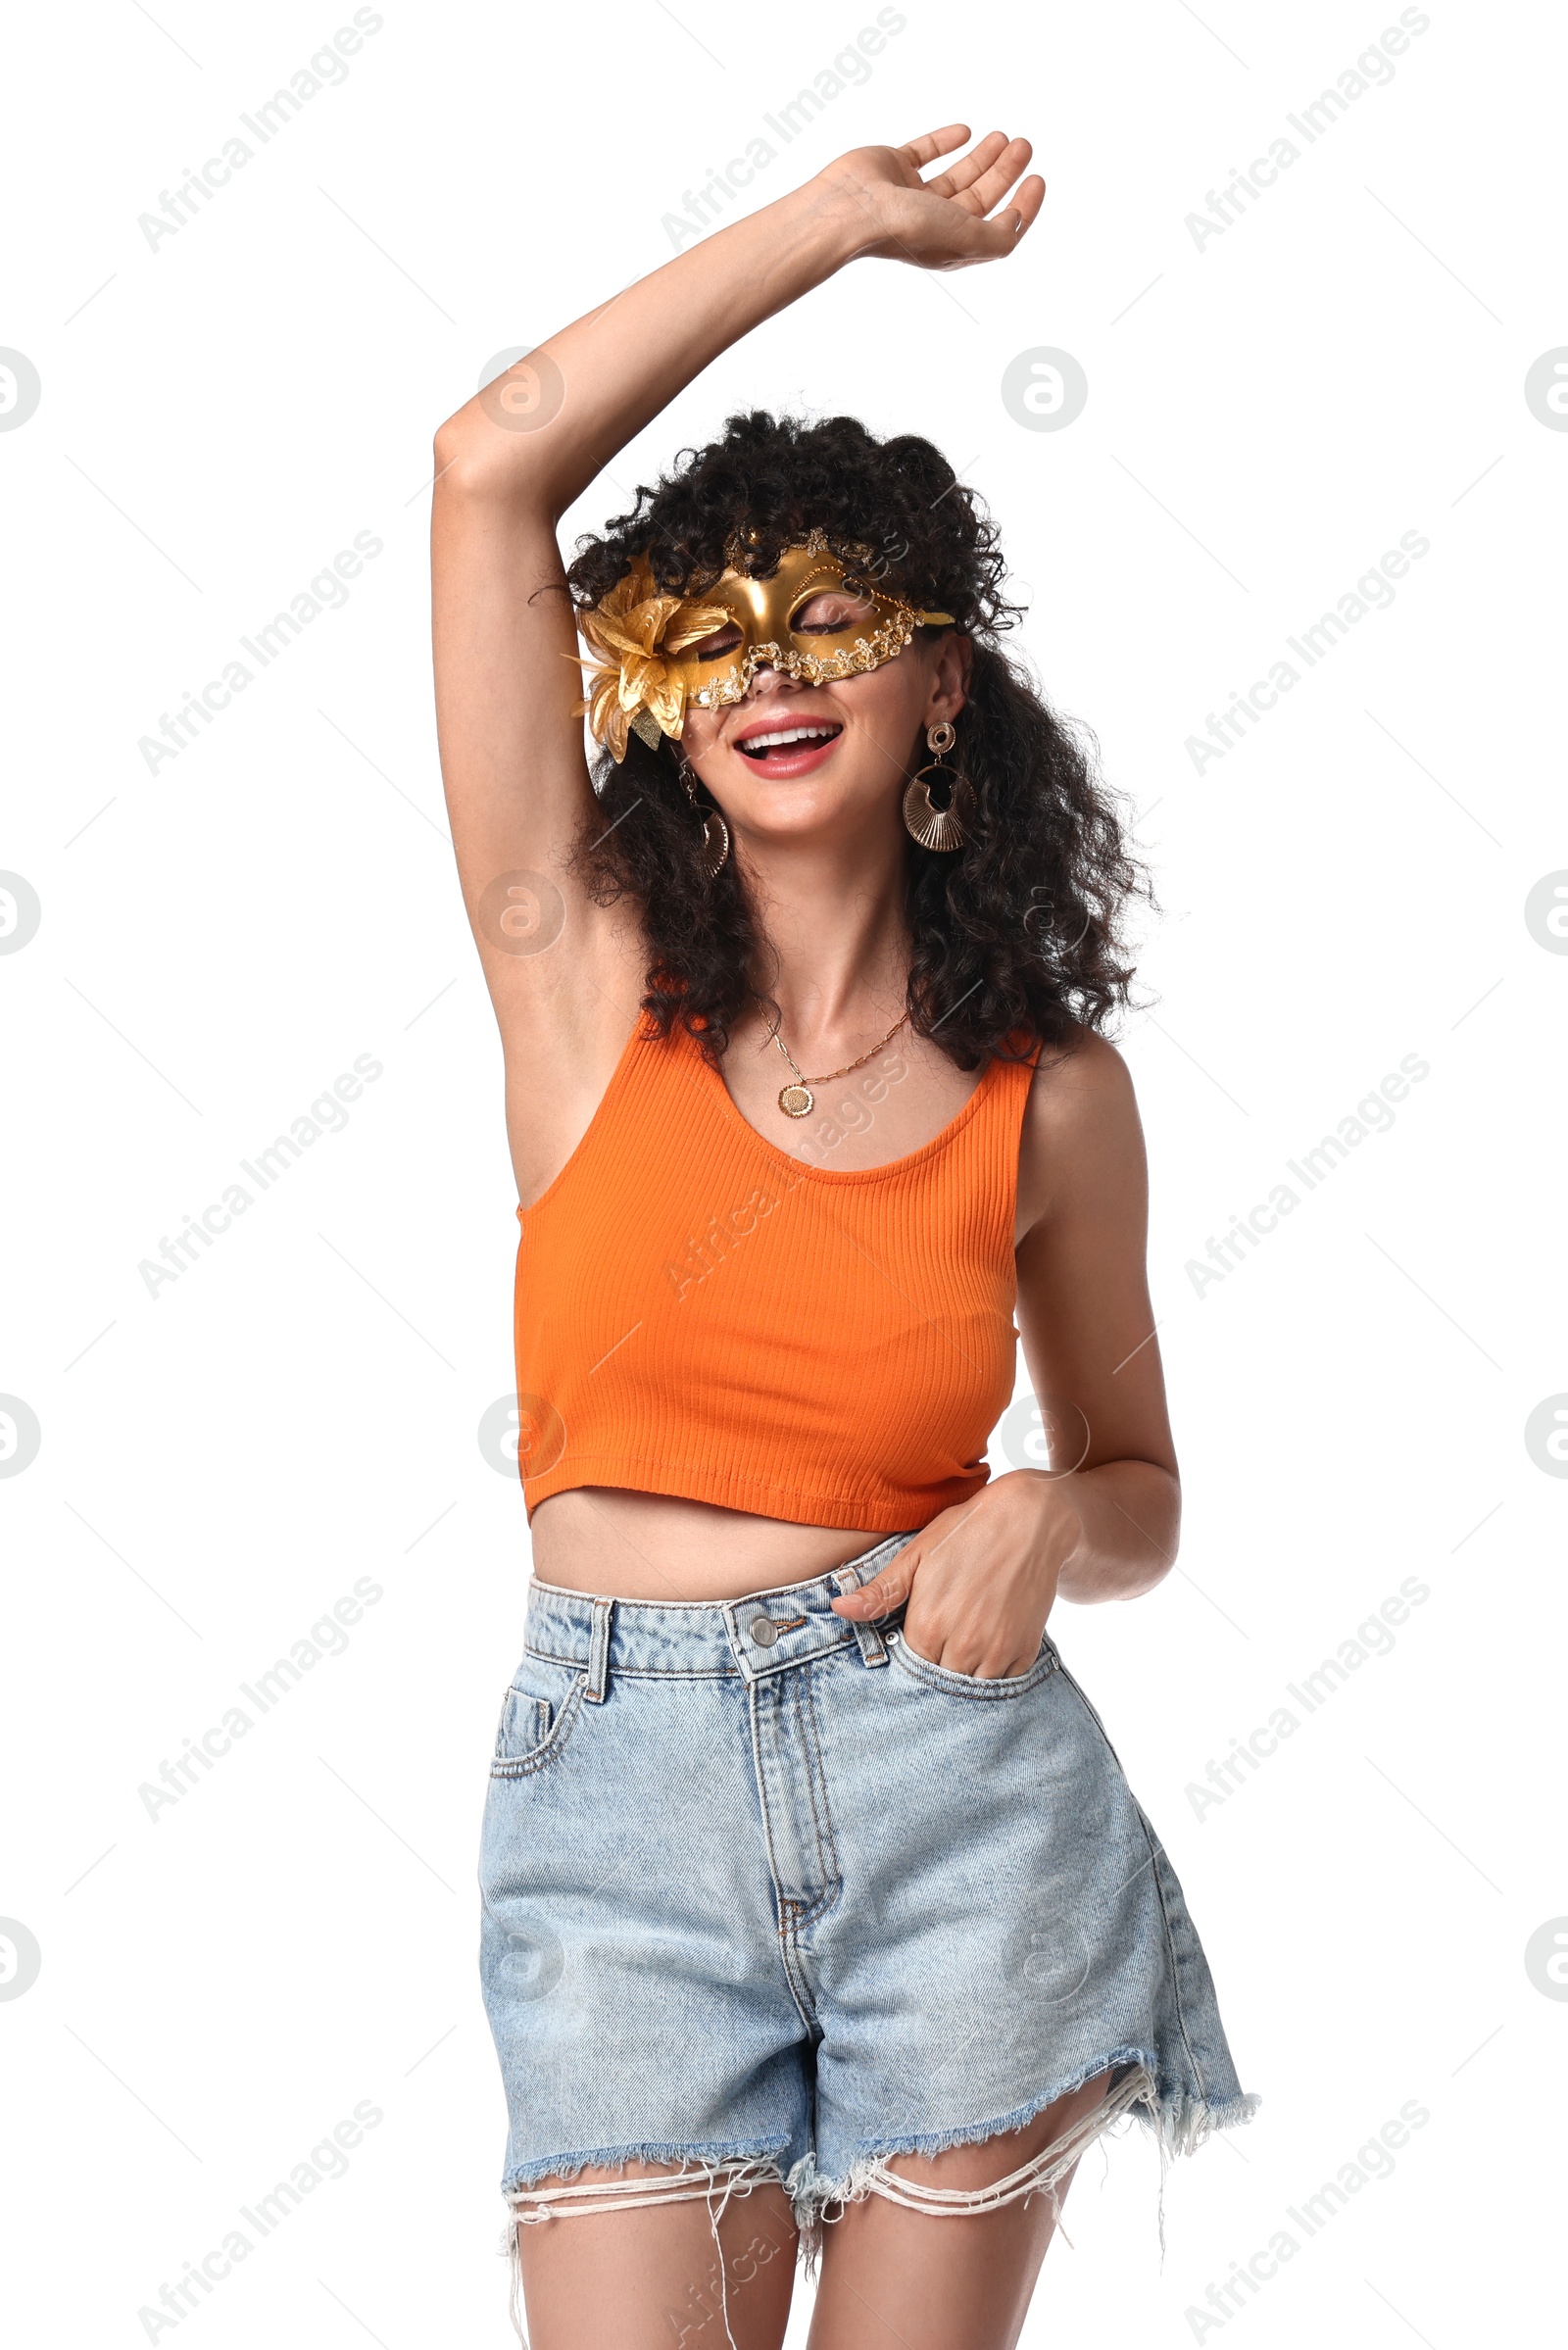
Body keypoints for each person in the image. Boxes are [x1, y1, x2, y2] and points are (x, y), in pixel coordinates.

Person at [431, 123, 1255, 2350]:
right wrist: (837, 225)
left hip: (954, 1787)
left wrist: (1041, 1513)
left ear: (939, 683)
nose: (763, 667)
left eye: (828, 615)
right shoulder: (580, 984)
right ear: (658, 704)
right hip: (615, 1800)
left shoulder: (1052, 1094)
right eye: (710, 631)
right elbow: (487, 470)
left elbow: (1139, 1496)